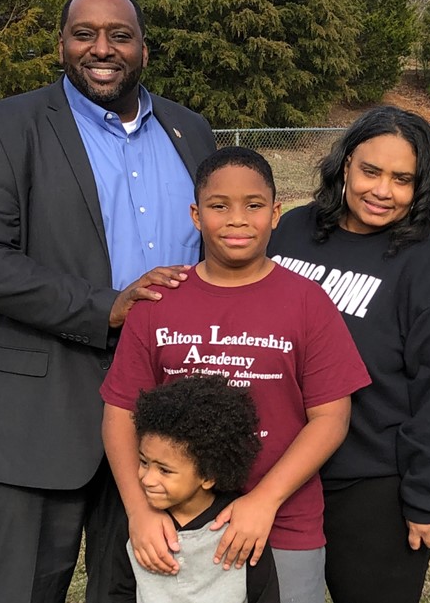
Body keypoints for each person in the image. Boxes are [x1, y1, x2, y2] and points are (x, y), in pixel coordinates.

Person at [0, 0, 216, 603]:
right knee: (24, 588)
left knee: (138, 588)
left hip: (164, 412)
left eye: (120, 35)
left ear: (144, 49)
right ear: (61, 45)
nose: (102, 48)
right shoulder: (1, 129)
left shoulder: (190, 131)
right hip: (40, 414)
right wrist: (108, 305)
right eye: (85, 34)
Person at [100, 147, 371, 603]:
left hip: (281, 519)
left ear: (276, 213)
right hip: (176, 523)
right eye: (219, 205)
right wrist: (139, 511)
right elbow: (120, 412)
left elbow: (331, 419)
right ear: (195, 214)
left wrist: (263, 501)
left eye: (254, 205)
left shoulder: (307, 302)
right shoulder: (158, 303)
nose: (237, 219)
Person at [267, 106, 430, 603]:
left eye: (401, 179)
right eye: (370, 171)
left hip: (371, 486)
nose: (382, 190)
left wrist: (427, 496)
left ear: (420, 187)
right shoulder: (292, 232)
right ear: (345, 165)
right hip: (274, 474)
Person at [113, 374, 280, 603]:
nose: (147, 479)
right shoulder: (135, 524)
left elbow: (264, 594)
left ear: (208, 475)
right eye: (143, 462)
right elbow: (119, 592)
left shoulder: (241, 527)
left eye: (164, 470)